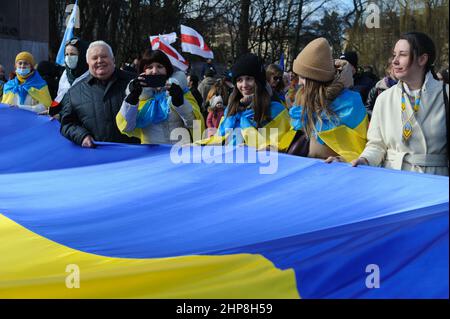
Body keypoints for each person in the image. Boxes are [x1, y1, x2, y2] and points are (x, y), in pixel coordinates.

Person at [350, 32, 448, 176]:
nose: (394, 61)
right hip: (394, 178)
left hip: (434, 182)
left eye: (402, 55)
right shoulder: (384, 98)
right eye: (394, 55)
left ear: (422, 59)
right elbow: (376, 145)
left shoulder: (445, 95)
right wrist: (364, 160)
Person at [289, 38, 368, 161]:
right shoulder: (302, 97)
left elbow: (360, 145)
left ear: (314, 79)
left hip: (337, 173)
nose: (299, 82)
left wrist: (342, 159)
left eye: (303, 77)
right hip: (305, 170)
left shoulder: (350, 103)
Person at [197, 53, 292, 151]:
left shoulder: (276, 110)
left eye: (249, 79)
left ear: (259, 81)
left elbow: (283, 146)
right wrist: (197, 145)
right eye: (239, 80)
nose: (244, 85)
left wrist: (261, 148)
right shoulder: (230, 110)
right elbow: (218, 138)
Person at [60, 41, 139, 147]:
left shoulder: (134, 83)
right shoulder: (74, 92)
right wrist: (82, 136)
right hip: (97, 157)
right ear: (88, 62)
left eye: (104, 56)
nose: (100, 61)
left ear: (113, 59)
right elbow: (67, 124)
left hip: (135, 158)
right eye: (94, 58)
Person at [116, 49, 199, 145]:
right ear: (143, 71)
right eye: (149, 67)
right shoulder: (139, 97)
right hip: (151, 156)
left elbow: (195, 124)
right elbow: (126, 127)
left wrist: (179, 101)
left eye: (160, 66)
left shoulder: (182, 92)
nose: (155, 71)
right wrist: (133, 98)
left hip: (179, 153)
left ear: (167, 70)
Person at [51, 38, 90, 117]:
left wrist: (62, 115)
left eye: (72, 54)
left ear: (82, 55)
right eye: (66, 54)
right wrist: (52, 111)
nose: (68, 57)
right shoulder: (65, 74)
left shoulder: (91, 75)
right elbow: (60, 97)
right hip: (64, 120)